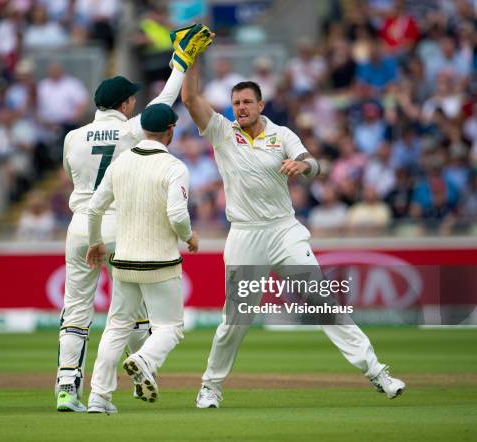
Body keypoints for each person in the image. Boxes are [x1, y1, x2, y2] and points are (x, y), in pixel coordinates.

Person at [180, 64, 405, 409]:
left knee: (323, 302)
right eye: (235, 102)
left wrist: (303, 166)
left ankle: (378, 372)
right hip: (245, 235)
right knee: (235, 320)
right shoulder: (222, 132)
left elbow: (311, 163)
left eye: (246, 102)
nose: (240, 107)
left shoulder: (281, 135)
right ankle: (211, 386)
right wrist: (191, 61)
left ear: (261, 105)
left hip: (284, 231)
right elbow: (190, 98)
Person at [55, 23, 213, 412]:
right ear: (126, 104)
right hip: (121, 230)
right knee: (131, 314)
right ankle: (144, 374)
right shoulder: (131, 131)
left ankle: (66, 388)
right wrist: (183, 58)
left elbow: (71, 178)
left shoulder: (72, 137)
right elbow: (166, 100)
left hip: (81, 227)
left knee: (76, 311)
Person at [85, 103, 198, 414]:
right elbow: (177, 214)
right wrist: (188, 236)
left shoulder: (120, 163)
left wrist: (96, 242)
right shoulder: (174, 167)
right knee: (170, 327)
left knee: (117, 326)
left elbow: (94, 208)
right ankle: (144, 359)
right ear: (171, 130)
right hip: (160, 261)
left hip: (124, 261)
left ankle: (98, 397)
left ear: (144, 130)